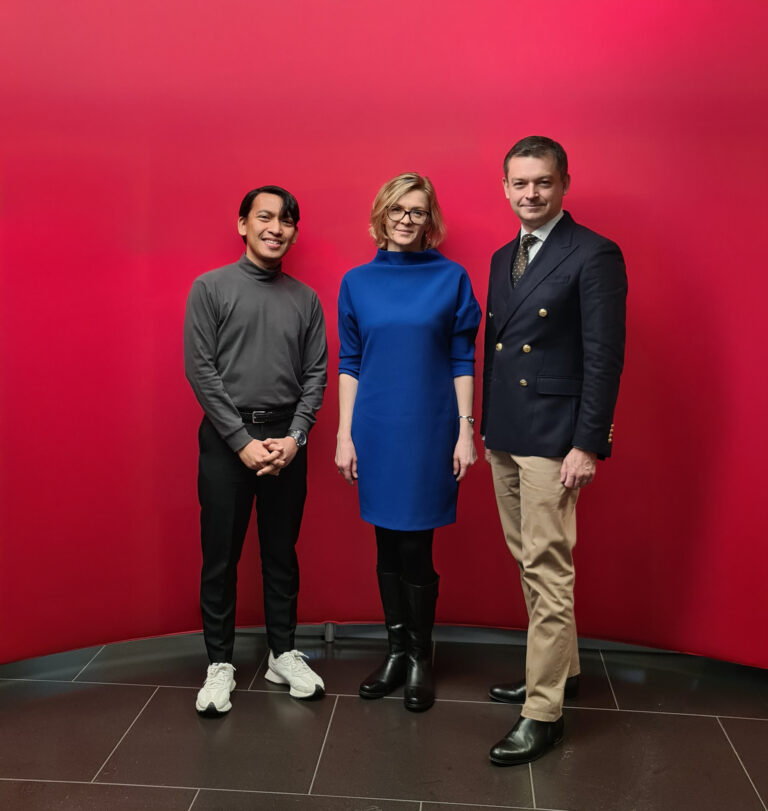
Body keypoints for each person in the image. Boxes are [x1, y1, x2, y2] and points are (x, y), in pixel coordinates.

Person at [482, 136, 627, 764]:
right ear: (505, 187)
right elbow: (497, 348)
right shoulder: (502, 256)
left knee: (547, 568)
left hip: (554, 438)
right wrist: (486, 428)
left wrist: (588, 443)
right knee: (528, 560)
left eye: (543, 181)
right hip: (507, 432)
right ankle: (559, 672)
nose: (531, 193)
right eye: (520, 183)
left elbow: (605, 356)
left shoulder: (593, 253)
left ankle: (543, 713)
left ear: (564, 182)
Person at [336, 172, 481, 712]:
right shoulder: (356, 282)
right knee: (386, 542)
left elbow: (462, 358)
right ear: (381, 214)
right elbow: (350, 361)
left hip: (429, 427)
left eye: (416, 211)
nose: (405, 219)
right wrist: (344, 434)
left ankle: (421, 656)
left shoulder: (451, 278)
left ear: (429, 220)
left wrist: (465, 430)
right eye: (396, 209)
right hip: (375, 427)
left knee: (417, 544)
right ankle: (396, 652)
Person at [184, 185, 327, 716]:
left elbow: (316, 375)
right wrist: (240, 442)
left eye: (286, 220)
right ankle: (219, 663)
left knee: (281, 553)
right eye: (265, 217)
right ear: (243, 224)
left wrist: (296, 437)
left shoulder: (306, 299)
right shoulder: (210, 287)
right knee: (220, 556)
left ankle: (282, 653)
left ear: (294, 232)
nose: (276, 228)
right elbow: (200, 370)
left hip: (287, 438)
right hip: (228, 440)